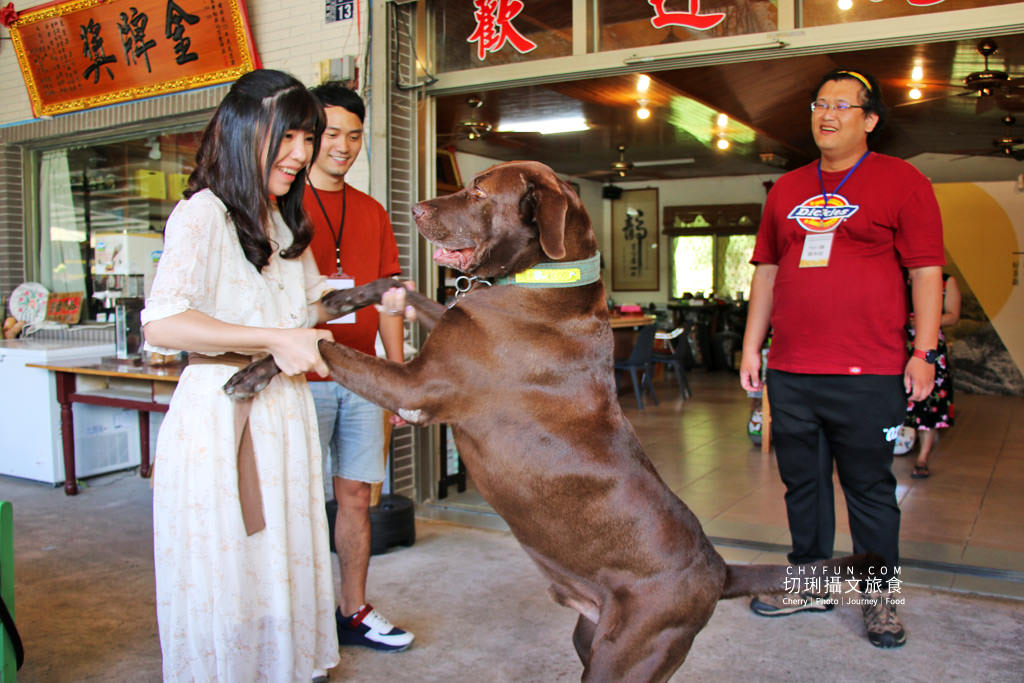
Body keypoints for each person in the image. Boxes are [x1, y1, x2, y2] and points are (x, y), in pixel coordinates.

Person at [141, 69, 341, 681]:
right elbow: (164, 324)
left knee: (281, 554)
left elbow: (302, 310)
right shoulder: (202, 214)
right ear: (243, 131)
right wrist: (272, 338)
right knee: (231, 562)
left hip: (283, 410)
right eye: (289, 138)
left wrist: (371, 298)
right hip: (222, 414)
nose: (302, 155)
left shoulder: (282, 222)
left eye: (308, 139)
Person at [739, 68, 945, 649]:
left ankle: (879, 600)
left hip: (870, 371)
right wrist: (753, 344)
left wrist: (924, 352)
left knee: (870, 490)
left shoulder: (903, 182)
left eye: (842, 106)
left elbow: (926, 272)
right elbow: (768, 271)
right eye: (819, 104)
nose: (826, 115)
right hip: (794, 370)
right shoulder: (787, 189)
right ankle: (811, 582)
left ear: (870, 119)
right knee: (802, 486)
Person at [303, 82, 414, 652]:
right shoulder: (283, 205)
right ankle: (298, 615)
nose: (342, 146)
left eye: (353, 135)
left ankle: (354, 609)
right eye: (330, 134)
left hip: (362, 379)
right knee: (294, 499)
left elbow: (388, 302)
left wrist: (396, 379)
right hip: (302, 374)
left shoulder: (372, 212)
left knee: (355, 498)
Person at [905, 273, 961, 479]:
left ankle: (923, 457)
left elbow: (953, 316)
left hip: (928, 346)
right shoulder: (899, 275)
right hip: (898, 343)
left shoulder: (947, 280)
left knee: (928, 400)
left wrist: (922, 320)